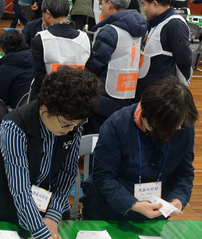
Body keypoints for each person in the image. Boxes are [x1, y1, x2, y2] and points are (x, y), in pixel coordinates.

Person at [0, 67, 101, 239]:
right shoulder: (14, 126)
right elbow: (20, 191)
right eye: (66, 123)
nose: (71, 129)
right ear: (45, 107)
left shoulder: (73, 124)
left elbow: (68, 174)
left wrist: (53, 215)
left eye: (77, 123)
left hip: (39, 213)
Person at [82, 77, 196, 221]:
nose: (169, 136)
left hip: (155, 213)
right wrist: (133, 205)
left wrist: (179, 199)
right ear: (144, 115)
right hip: (111, 212)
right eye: (159, 130)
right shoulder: (117, 125)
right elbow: (103, 177)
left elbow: (184, 174)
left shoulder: (184, 127)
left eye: (175, 129)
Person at [84, 0, 146, 135]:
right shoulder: (138, 29)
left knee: (98, 135)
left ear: (109, 5)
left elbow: (96, 63)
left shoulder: (110, 31)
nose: (102, 7)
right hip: (128, 89)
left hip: (105, 93)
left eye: (102, 3)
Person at [30, 0, 91, 99]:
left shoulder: (40, 39)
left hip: (49, 99)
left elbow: (39, 77)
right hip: (77, 98)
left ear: (47, 14)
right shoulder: (85, 38)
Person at [137, 0, 191, 101]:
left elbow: (184, 60)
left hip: (160, 94)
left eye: (144, 4)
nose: (144, 9)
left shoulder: (174, 24)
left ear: (155, 4)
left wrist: (180, 89)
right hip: (148, 90)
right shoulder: (156, 22)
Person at [0, 30, 33, 108]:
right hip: (35, 107)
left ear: (3, 48)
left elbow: (0, 98)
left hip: (15, 111)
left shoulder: (5, 69)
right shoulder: (36, 59)